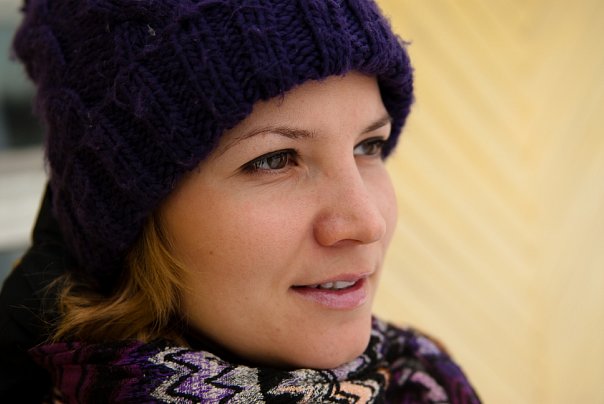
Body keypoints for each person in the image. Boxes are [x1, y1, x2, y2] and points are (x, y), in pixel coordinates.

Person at [0, 0, 481, 402]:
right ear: (135, 217)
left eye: (368, 146)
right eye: (274, 160)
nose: (367, 221)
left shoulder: (422, 381)